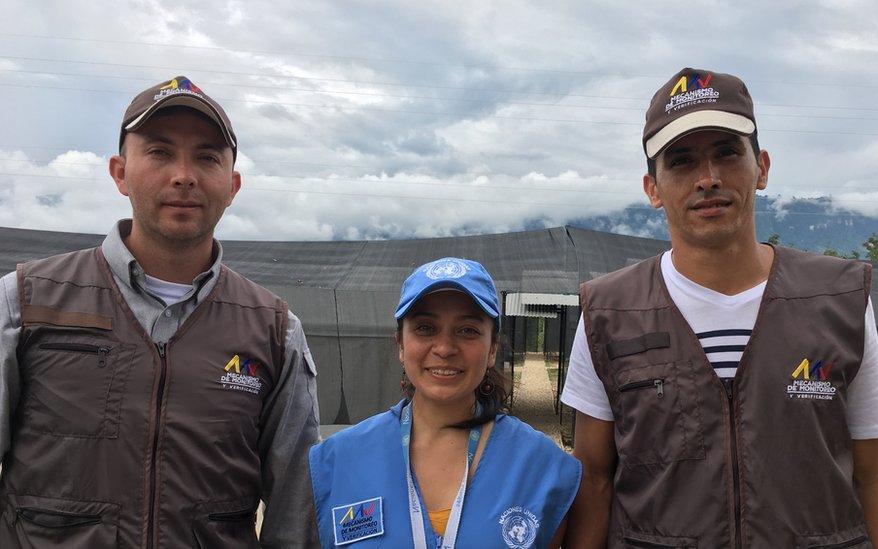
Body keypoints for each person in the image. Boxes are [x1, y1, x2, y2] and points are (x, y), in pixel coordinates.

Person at [560, 68, 878, 548]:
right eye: (681, 161)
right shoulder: (608, 312)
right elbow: (594, 477)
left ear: (761, 167)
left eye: (726, 153)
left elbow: (874, 474)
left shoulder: (837, 299)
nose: (708, 179)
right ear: (652, 188)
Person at [0, 76, 321, 547]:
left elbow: (295, 510)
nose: (184, 175)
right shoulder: (24, 302)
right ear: (119, 172)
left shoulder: (274, 331)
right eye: (159, 152)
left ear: (232, 186)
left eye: (207, 157)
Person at [308, 257, 580, 548]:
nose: (445, 348)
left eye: (467, 330)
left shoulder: (543, 468)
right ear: (400, 344)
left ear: (492, 351)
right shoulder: (335, 462)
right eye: (425, 328)